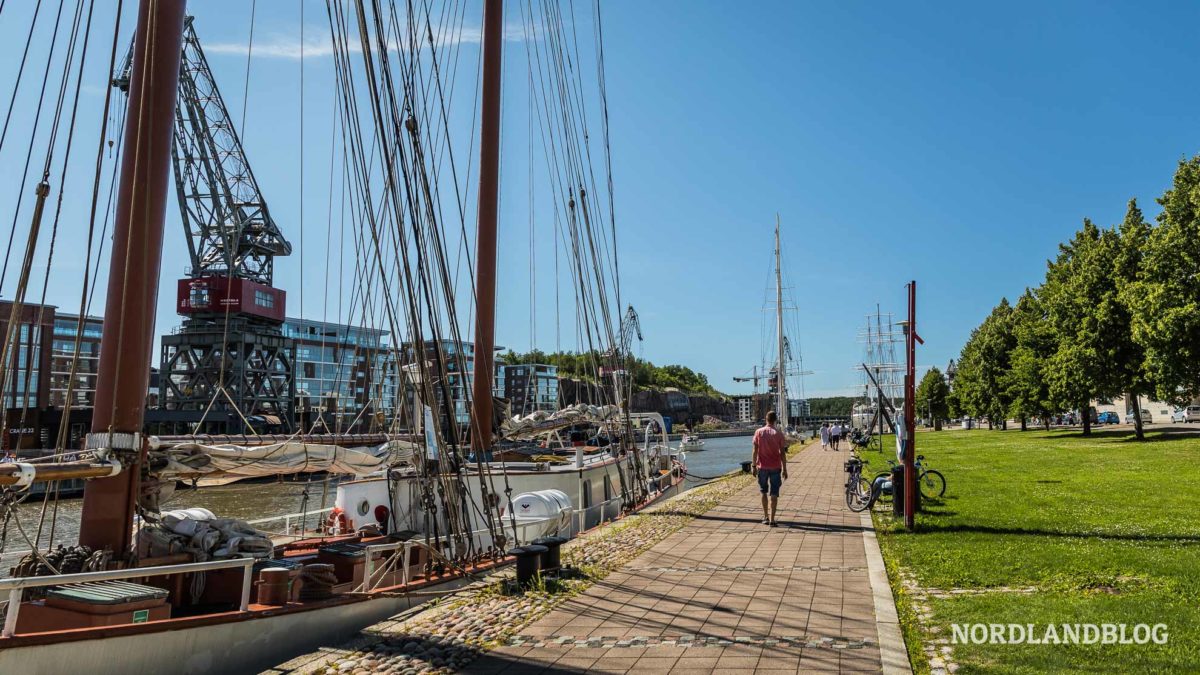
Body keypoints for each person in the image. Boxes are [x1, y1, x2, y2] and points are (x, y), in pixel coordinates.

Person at [751, 410, 789, 526]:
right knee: (774, 493)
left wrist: (753, 465)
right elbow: (782, 453)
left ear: (766, 419)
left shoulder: (758, 432)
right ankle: (772, 519)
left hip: (762, 466)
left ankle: (765, 517)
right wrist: (785, 469)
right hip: (775, 467)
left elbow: (755, 451)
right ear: (775, 420)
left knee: (763, 491)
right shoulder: (778, 433)